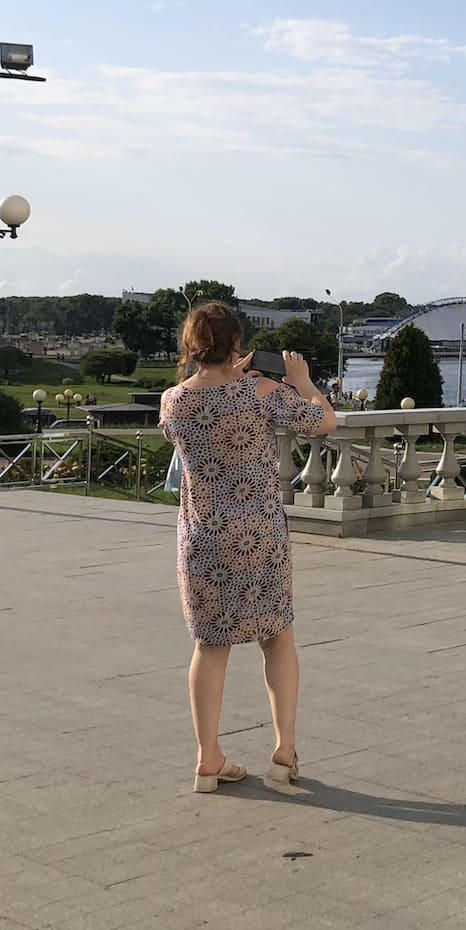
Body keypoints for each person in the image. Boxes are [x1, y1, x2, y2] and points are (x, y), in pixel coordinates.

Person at [160, 302, 337, 793]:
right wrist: (301, 380)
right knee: (277, 637)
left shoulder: (173, 401)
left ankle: (208, 760)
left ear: (192, 347)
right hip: (259, 536)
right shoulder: (261, 391)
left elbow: (208, 411)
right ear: (238, 344)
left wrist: (226, 372)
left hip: (202, 538)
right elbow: (325, 422)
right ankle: (283, 754)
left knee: (210, 645)